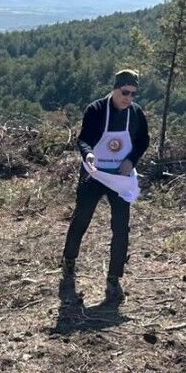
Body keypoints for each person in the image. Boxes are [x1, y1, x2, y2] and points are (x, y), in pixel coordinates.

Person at [60, 69, 150, 306]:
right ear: (115, 88)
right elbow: (83, 139)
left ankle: (114, 280)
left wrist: (132, 160)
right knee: (81, 219)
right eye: (125, 92)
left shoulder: (136, 113)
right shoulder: (96, 110)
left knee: (121, 227)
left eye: (133, 94)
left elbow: (143, 140)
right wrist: (88, 155)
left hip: (119, 178)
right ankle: (69, 263)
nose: (128, 98)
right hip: (94, 174)